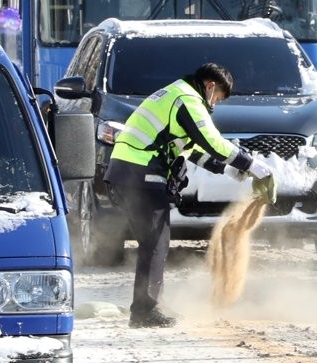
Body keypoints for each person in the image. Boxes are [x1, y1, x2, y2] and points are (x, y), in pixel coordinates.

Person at [104, 63, 274, 328]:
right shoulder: (187, 100)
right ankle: (145, 311)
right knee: (156, 241)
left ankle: (150, 304)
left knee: (153, 241)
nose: (215, 105)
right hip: (141, 172)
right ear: (210, 86)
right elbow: (211, 141)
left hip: (128, 171)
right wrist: (250, 164)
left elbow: (191, 148)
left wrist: (226, 169)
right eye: (217, 98)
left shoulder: (175, 94)